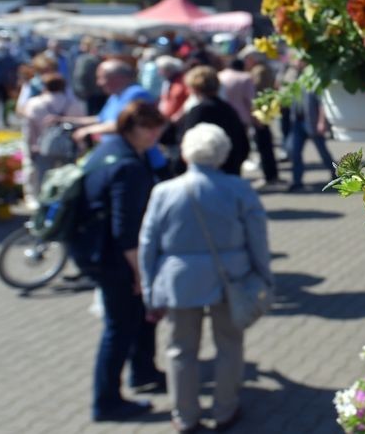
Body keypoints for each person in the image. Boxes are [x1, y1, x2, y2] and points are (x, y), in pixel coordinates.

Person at [139, 123, 272, 433]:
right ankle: (225, 410)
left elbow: (149, 243)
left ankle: (185, 416)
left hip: (179, 281)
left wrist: (149, 290)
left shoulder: (163, 191)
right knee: (229, 344)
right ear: (223, 153)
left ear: (186, 153)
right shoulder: (239, 188)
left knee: (180, 350)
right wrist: (264, 276)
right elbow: (258, 238)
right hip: (232, 279)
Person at [84, 101, 169, 422]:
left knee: (135, 319)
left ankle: (143, 372)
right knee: (118, 329)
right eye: (151, 127)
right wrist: (139, 273)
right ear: (133, 128)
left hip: (100, 250)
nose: (157, 133)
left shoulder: (111, 149)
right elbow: (125, 231)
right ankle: (107, 402)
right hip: (114, 259)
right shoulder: (128, 166)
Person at [20, 72, 84, 204]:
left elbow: (29, 130)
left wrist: (31, 148)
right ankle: (64, 205)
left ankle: (42, 207)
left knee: (42, 180)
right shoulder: (73, 103)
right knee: (66, 178)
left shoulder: (34, 103)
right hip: (67, 147)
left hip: (43, 147)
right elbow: (79, 125)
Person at [175, 66, 250, 176]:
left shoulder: (197, 111)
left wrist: (178, 170)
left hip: (203, 174)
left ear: (194, 88)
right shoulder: (228, 109)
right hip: (230, 172)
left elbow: (186, 143)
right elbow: (244, 144)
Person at [241, 48, 280, 185]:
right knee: (264, 144)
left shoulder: (259, 71)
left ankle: (270, 176)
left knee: (264, 145)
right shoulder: (262, 69)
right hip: (263, 111)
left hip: (261, 112)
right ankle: (270, 175)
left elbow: (255, 90)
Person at [286, 87, 334, 192]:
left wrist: (321, 122)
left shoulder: (311, 82)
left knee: (323, 151)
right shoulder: (294, 80)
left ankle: (336, 173)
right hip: (297, 122)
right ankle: (296, 181)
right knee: (294, 151)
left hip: (312, 122)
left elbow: (322, 103)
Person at [72, 37, 107, 117]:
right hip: (91, 95)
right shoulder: (85, 59)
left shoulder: (99, 59)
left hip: (100, 94)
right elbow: (80, 76)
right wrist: (83, 93)